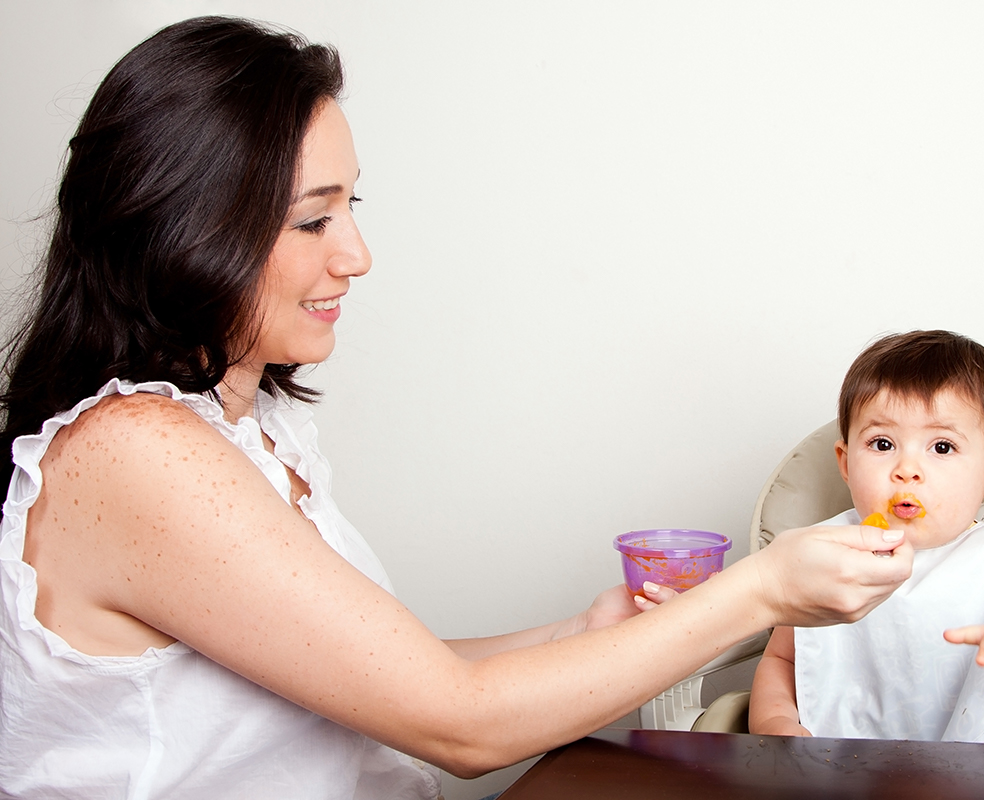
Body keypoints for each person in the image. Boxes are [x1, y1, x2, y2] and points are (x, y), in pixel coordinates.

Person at [0, 16, 914, 798]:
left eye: (349, 206)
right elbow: (461, 728)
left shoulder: (250, 431)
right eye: (313, 219)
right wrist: (764, 590)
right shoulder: (134, 452)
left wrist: (578, 635)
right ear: (183, 225)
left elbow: (376, 681)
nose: (355, 254)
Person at [748, 330, 984, 743]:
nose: (907, 469)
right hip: (834, 765)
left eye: (942, 447)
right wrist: (776, 724)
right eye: (882, 443)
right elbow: (785, 659)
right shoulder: (822, 553)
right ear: (845, 463)